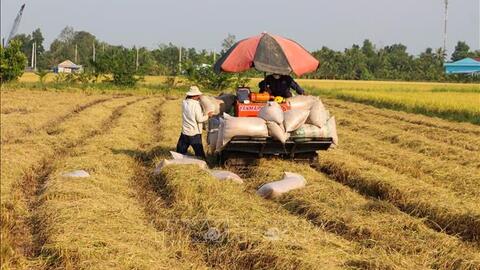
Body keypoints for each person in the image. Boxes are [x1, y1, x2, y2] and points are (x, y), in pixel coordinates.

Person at [176, 86, 213, 159]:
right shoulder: (196, 105)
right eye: (198, 95)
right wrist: (208, 116)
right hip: (194, 133)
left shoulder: (184, 103)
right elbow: (199, 119)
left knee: (179, 153)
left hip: (185, 132)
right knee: (200, 155)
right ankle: (203, 165)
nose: (199, 96)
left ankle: (178, 163)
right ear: (194, 96)